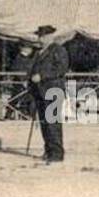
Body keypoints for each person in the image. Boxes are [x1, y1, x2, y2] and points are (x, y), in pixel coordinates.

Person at [29, 25, 69, 163]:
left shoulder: (59, 50)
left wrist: (42, 76)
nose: (39, 39)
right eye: (39, 36)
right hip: (40, 91)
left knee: (53, 123)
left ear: (49, 37)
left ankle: (57, 154)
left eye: (42, 36)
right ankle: (48, 150)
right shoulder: (38, 52)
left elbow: (61, 69)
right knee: (44, 123)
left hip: (53, 90)